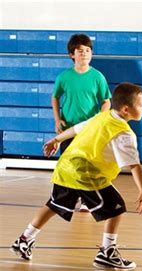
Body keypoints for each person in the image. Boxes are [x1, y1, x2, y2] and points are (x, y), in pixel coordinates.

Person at [11, 83, 142, 271]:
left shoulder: (102, 116)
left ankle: (24, 240)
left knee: (53, 205)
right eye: (141, 105)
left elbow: (76, 129)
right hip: (86, 173)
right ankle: (107, 253)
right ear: (126, 110)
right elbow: (134, 165)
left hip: (66, 167)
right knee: (117, 208)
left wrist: (56, 139)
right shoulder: (124, 133)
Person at [52, 33, 111, 212]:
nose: (84, 54)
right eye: (80, 51)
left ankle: (87, 199)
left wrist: (99, 120)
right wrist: (57, 119)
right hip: (69, 128)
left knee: (88, 164)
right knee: (70, 163)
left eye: (87, 50)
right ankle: (68, 198)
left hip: (89, 130)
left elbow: (106, 101)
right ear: (72, 54)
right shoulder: (64, 77)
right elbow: (55, 97)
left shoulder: (98, 77)